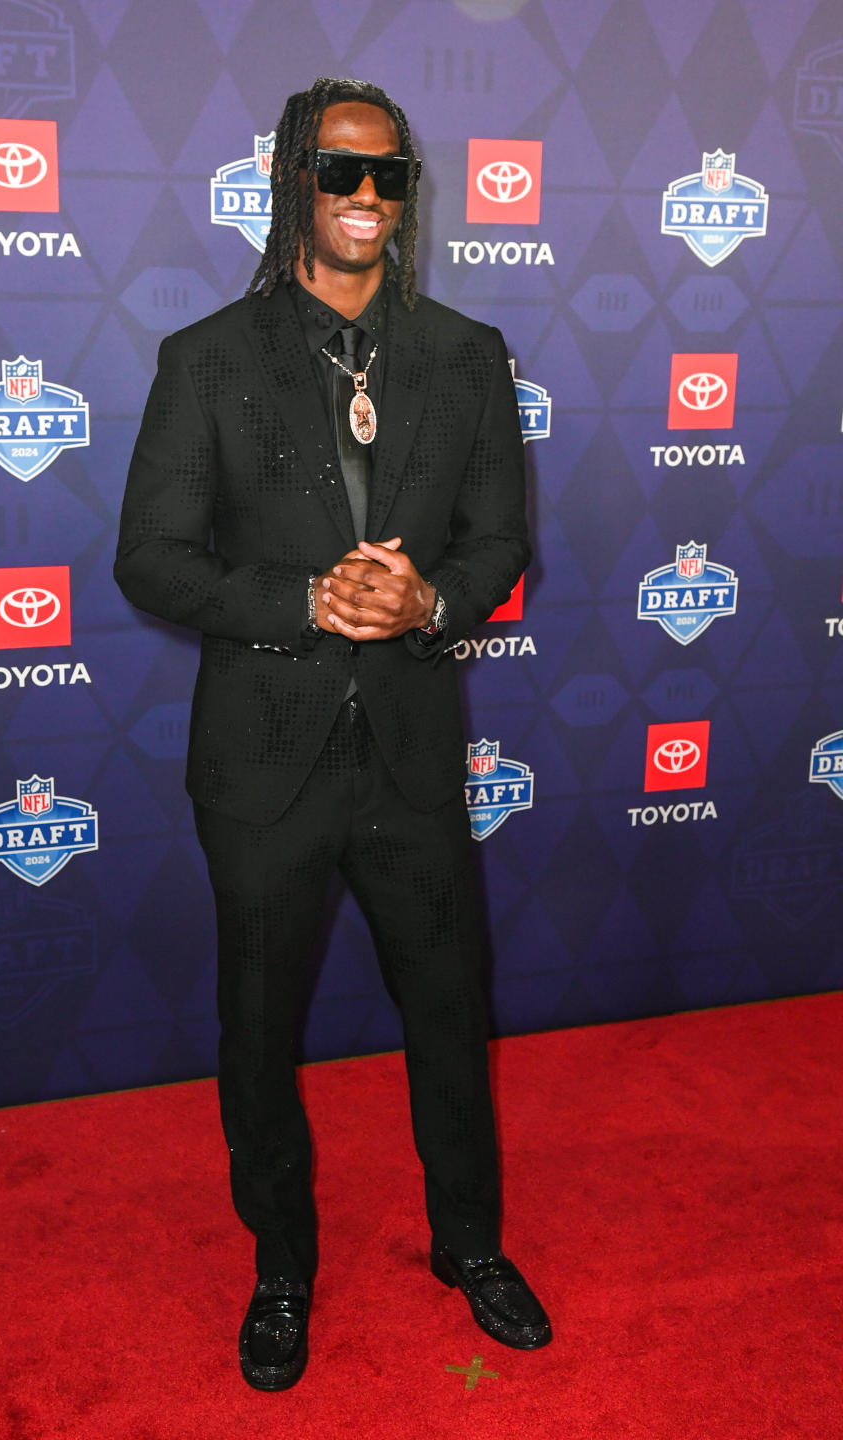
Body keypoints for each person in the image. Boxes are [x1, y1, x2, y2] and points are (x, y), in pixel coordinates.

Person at [115, 76, 550, 1391]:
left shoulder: (468, 354)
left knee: (449, 1015)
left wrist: (431, 599)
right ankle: (282, 1269)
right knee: (258, 1034)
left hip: (411, 755)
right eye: (339, 173)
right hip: (262, 763)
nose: (366, 199)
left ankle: (467, 1243)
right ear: (294, 182)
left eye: (389, 176)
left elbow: (500, 541)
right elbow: (152, 560)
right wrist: (306, 601)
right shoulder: (206, 361)